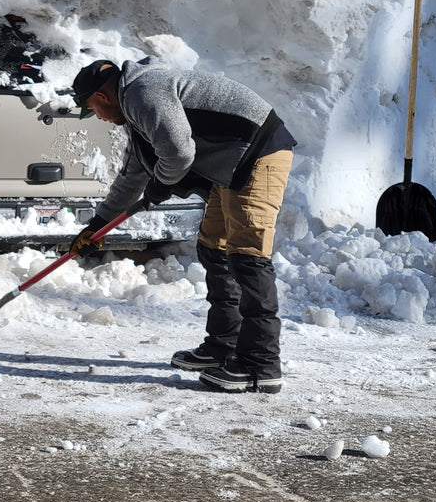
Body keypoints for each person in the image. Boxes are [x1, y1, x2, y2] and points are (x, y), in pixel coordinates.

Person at [69, 57, 296, 394]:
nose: (99, 117)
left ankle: (261, 365)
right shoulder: (135, 108)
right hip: (232, 162)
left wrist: (161, 184)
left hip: (258, 153)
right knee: (213, 246)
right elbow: (134, 172)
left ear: (102, 98)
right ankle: (224, 345)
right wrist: (99, 224)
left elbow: (177, 152)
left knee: (247, 253)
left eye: (93, 110)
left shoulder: (143, 93)